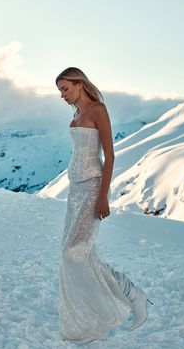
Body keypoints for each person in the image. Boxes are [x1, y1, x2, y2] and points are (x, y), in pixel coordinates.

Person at [56, 67, 153, 344]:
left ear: (79, 84)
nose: (62, 95)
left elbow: (109, 155)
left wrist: (103, 195)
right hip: (75, 189)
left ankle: (132, 295)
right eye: (60, 91)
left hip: (92, 187)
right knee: (77, 254)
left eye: (65, 88)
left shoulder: (98, 110)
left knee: (75, 253)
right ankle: (105, 308)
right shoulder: (76, 115)